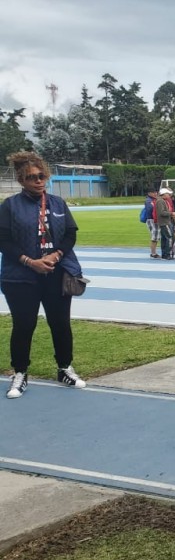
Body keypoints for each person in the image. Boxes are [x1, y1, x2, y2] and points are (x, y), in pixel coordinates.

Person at [0, 151, 86, 398]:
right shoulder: (10, 206)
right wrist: (30, 261)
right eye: (31, 177)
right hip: (20, 276)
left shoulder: (58, 203)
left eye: (41, 176)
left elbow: (70, 234)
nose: (38, 181)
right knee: (24, 325)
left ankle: (64, 368)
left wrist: (55, 256)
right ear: (21, 180)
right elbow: (3, 240)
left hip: (56, 273)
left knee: (60, 323)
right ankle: (20, 372)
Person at [154, 187, 175, 260]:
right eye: (168, 194)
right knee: (169, 238)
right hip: (165, 222)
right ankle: (167, 254)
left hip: (164, 222)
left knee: (164, 238)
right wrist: (171, 213)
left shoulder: (161, 201)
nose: (169, 196)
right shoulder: (161, 201)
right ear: (164, 194)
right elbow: (162, 213)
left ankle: (164, 254)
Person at [142, 188, 159, 258]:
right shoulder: (148, 201)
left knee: (156, 237)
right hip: (151, 220)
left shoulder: (153, 200)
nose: (155, 194)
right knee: (154, 237)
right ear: (149, 193)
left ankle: (153, 252)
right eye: (153, 192)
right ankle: (153, 253)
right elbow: (151, 210)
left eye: (156, 192)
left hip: (153, 219)